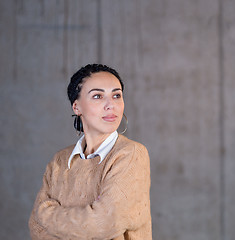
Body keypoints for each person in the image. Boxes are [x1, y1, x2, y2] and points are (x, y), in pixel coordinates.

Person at [28, 64, 152, 240]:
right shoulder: (60, 161)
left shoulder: (131, 155)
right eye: (98, 96)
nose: (111, 105)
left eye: (116, 95)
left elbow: (104, 223)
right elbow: (36, 227)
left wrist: (48, 215)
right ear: (77, 107)